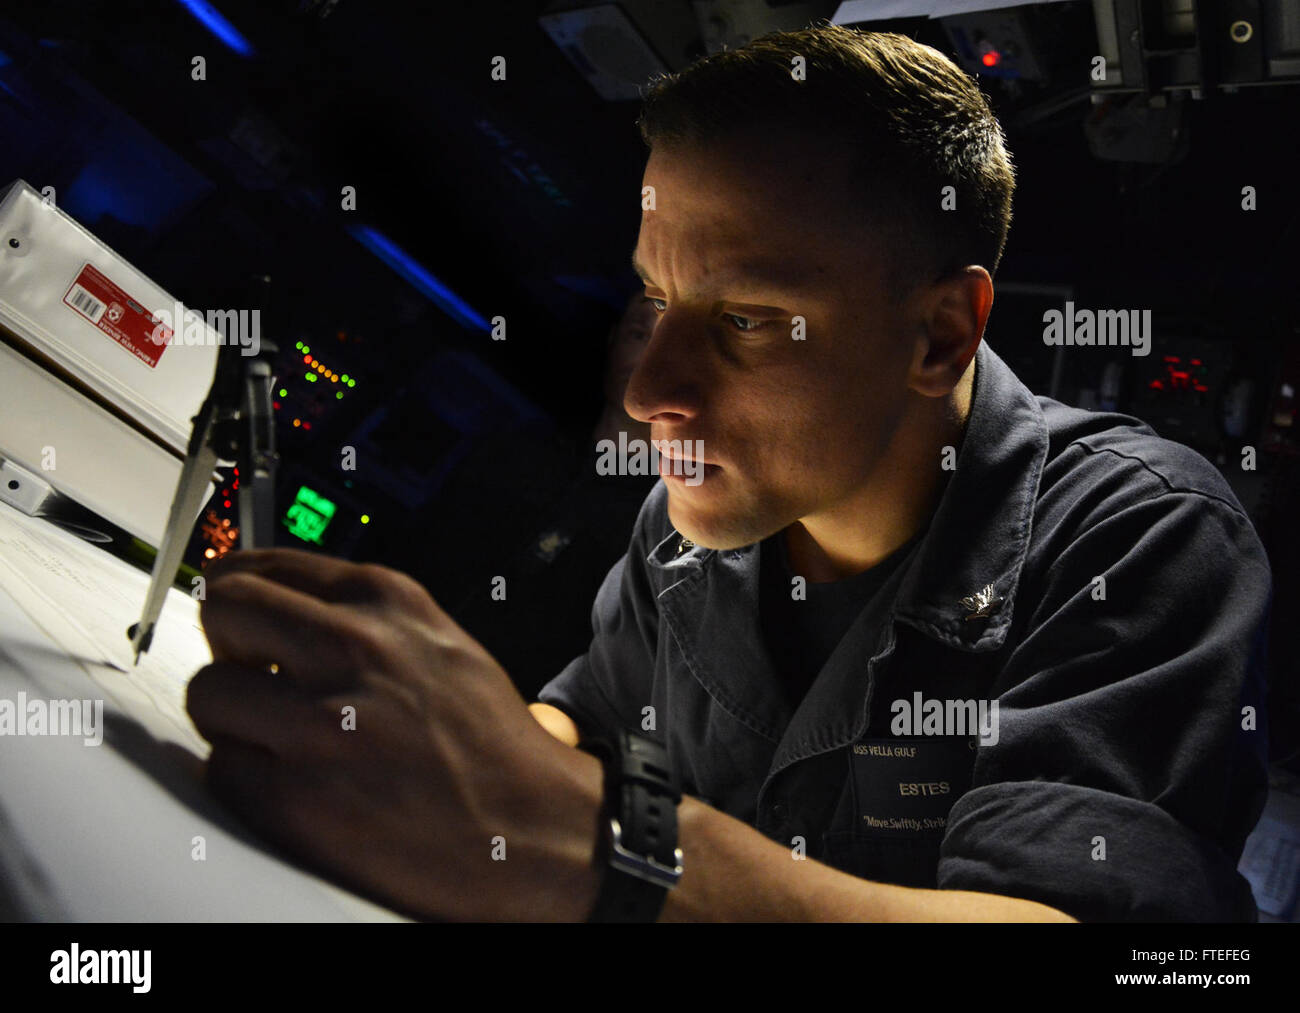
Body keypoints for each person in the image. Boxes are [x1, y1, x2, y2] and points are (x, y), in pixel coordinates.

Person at [186, 26, 1271, 922]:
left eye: (744, 319)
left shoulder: (1140, 533)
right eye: (656, 303)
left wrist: (604, 852)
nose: (653, 388)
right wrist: (435, 748)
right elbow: (588, 721)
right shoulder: (683, 524)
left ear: (939, 336)